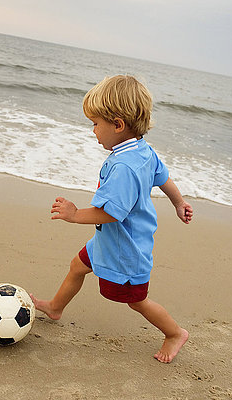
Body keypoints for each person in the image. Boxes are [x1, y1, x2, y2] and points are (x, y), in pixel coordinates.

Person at [31, 75, 193, 363]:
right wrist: (178, 202)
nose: (93, 130)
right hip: (109, 241)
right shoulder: (142, 150)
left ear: (117, 125)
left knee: (137, 302)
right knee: (77, 266)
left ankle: (174, 333)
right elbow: (164, 178)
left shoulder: (124, 167)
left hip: (125, 250)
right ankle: (56, 307)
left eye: (95, 123)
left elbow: (109, 213)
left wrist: (74, 214)